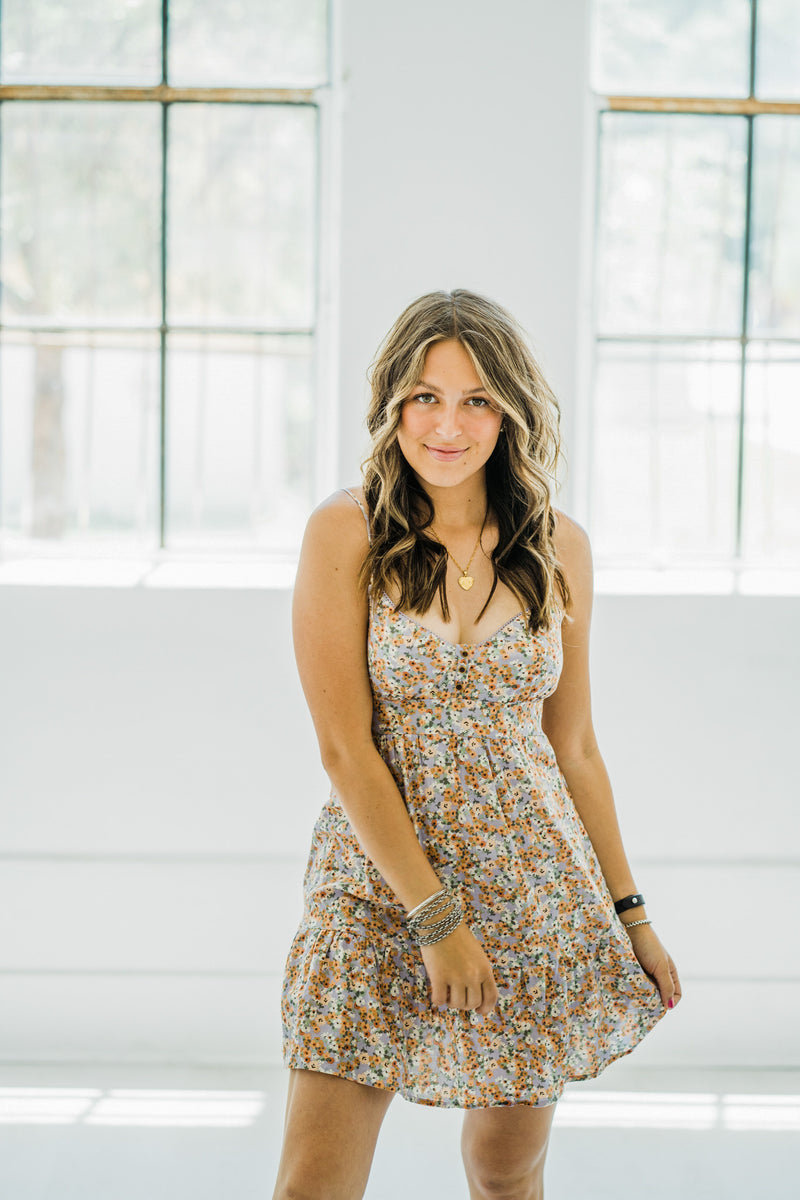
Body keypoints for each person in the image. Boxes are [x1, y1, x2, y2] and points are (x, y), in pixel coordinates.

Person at [273, 289, 681, 1200]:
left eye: (475, 399)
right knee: (313, 1184)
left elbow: (572, 746)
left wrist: (633, 915)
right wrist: (436, 921)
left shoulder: (559, 548)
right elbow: (345, 750)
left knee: (507, 1172)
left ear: (511, 412)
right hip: (379, 886)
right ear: (391, 404)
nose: (447, 424)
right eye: (425, 396)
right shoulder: (344, 532)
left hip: (532, 882)